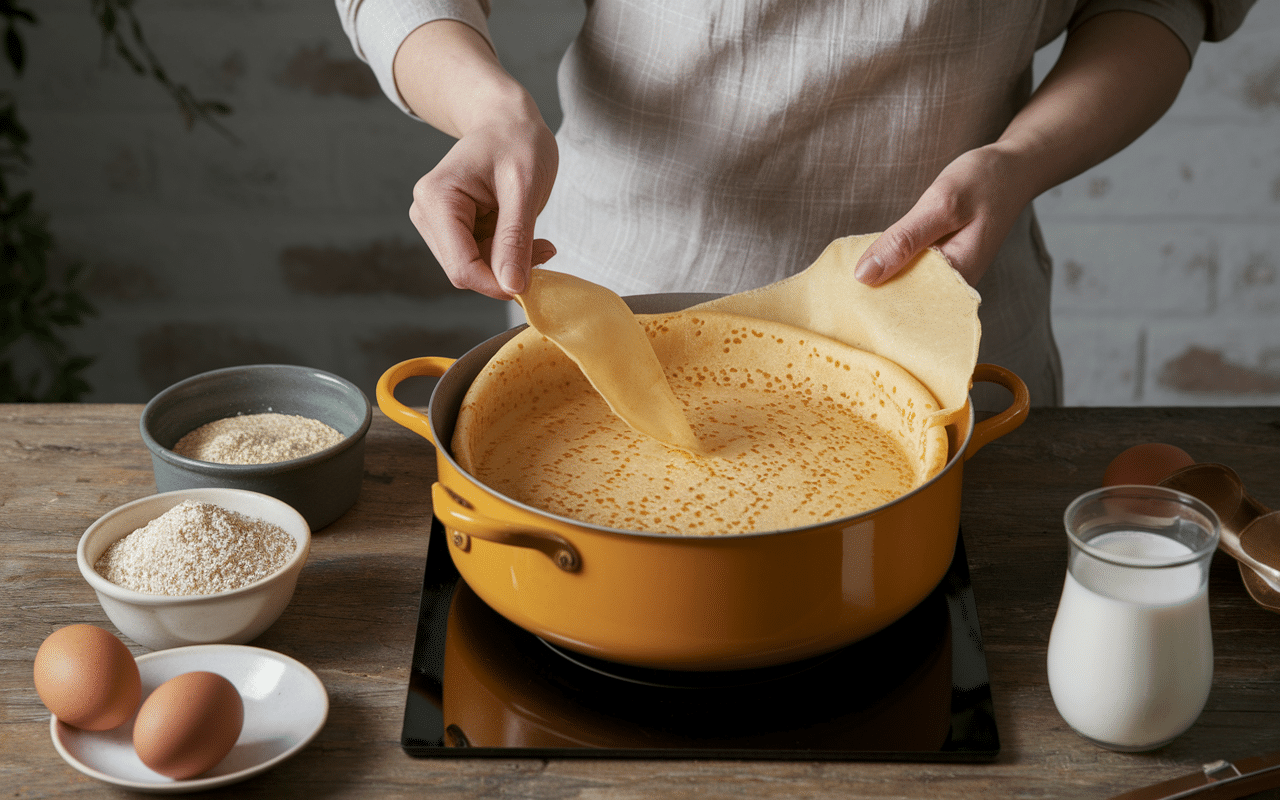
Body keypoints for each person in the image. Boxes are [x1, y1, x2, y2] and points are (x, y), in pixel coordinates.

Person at [336, 0, 1254, 409]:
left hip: (944, 336)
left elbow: (1154, 3)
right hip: (614, 326)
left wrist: (1020, 159)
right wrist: (487, 110)